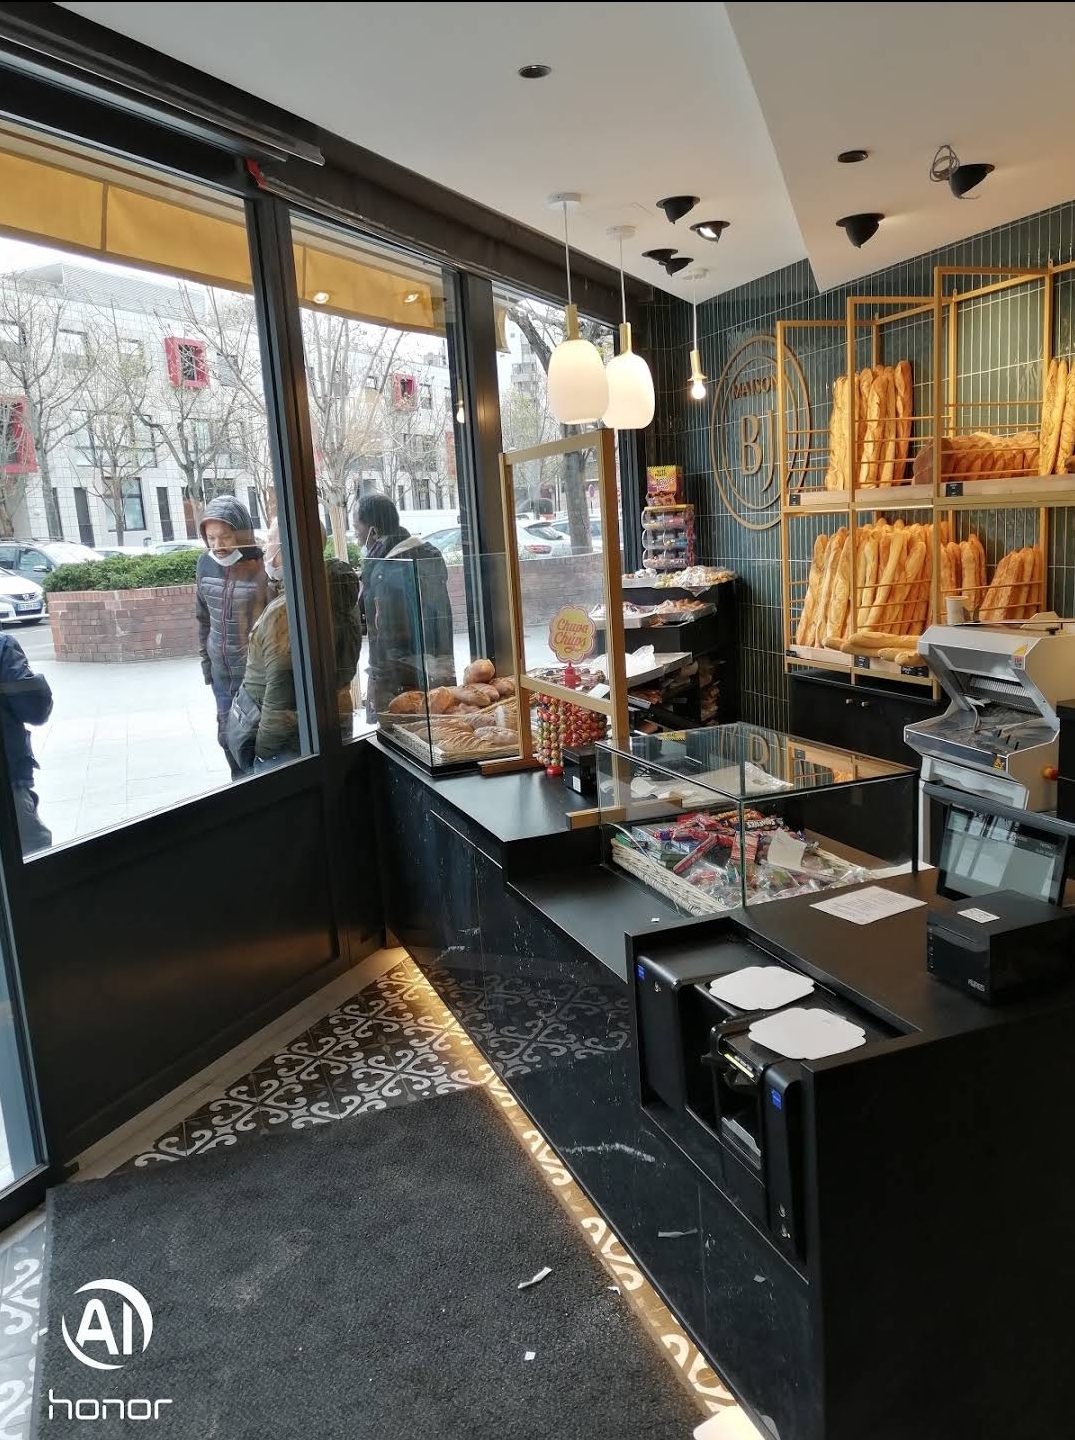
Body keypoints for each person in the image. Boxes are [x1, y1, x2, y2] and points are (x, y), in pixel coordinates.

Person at [232, 519, 362, 770]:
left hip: (290, 747)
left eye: (270, 539)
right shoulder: (334, 593)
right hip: (331, 724)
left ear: (287, 547)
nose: (265, 547)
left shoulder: (289, 611)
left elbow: (281, 703)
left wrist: (261, 754)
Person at [354, 493, 455, 719]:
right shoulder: (424, 554)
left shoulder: (387, 568)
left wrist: (381, 679)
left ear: (373, 531)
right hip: (434, 667)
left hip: (400, 677)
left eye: (356, 527)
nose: (356, 534)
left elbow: (385, 632)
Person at [196, 495, 268, 780]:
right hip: (221, 674)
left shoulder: (262, 567)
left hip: (253, 678)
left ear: (241, 533)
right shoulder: (204, 563)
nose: (218, 545)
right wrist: (206, 666)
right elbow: (202, 618)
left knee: (251, 741)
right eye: (211, 538)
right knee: (226, 737)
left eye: (225, 537)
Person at [0, 631, 53, 854]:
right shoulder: (2, 646)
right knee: (32, 851)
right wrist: (38, 683)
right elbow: (34, 710)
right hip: (6, 782)